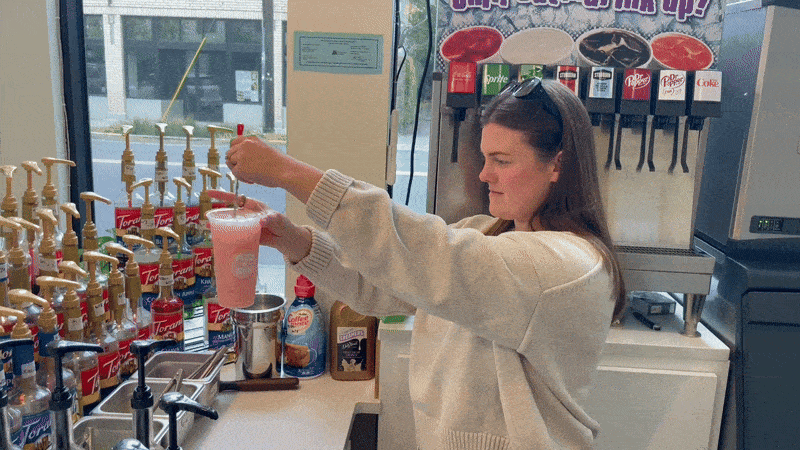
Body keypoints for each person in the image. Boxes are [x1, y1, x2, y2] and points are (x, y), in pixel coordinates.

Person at [211, 78, 625, 450]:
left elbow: (430, 254)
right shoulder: (486, 233)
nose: (484, 175)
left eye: (502, 161)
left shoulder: (569, 265)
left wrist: (287, 172)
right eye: (484, 158)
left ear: (557, 165)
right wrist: (294, 240)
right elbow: (384, 284)